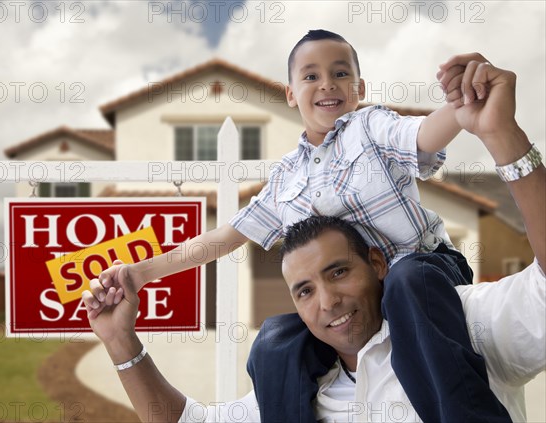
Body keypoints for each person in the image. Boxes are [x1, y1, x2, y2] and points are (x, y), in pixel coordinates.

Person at [82, 53, 545, 422]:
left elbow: (422, 134)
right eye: (304, 289)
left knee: (409, 283)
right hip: (385, 287)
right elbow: (225, 237)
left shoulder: (369, 128)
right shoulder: (287, 178)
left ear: (359, 89)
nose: (326, 301)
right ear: (290, 94)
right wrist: (135, 283)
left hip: (424, 277)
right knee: (274, 337)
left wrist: (478, 120)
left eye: (338, 272)